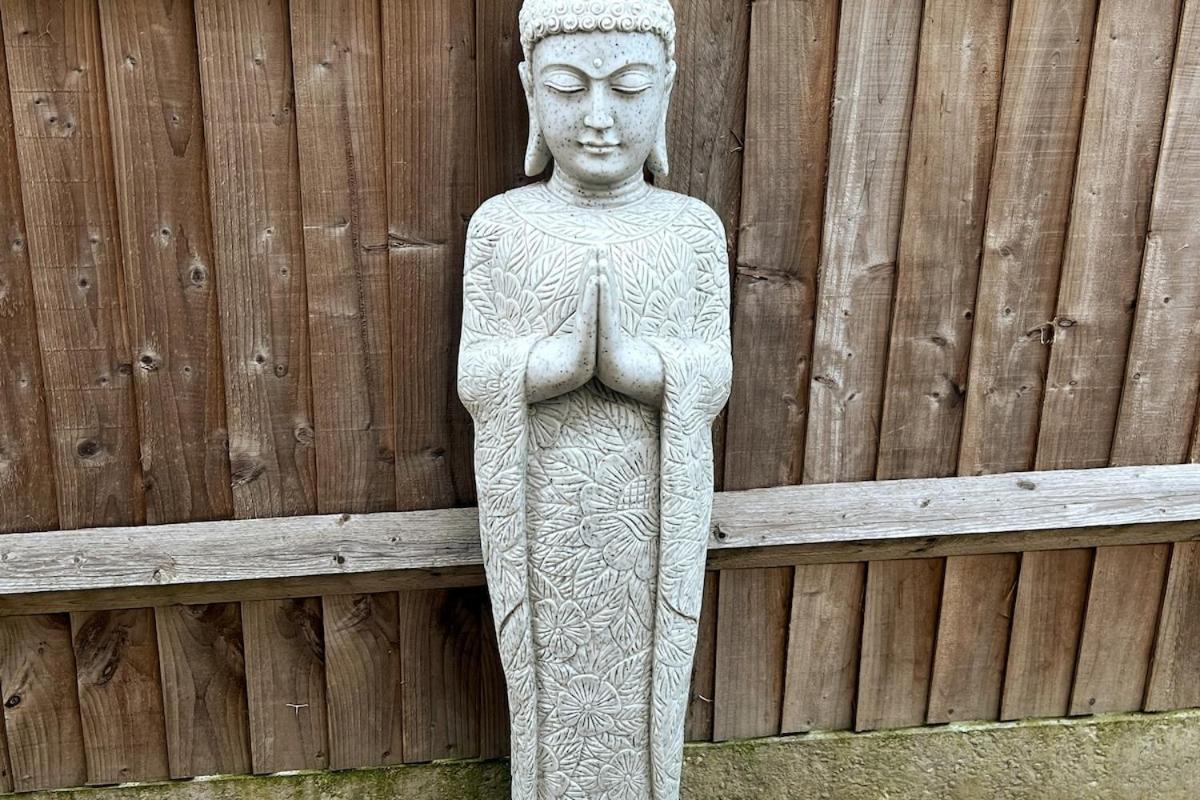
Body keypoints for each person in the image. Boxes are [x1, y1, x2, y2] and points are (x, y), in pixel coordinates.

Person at [456, 2, 731, 797]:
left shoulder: (691, 230)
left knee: (647, 675)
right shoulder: (502, 227)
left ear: (666, 90)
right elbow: (477, 372)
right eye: (569, 88)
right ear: (529, 91)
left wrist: (640, 368)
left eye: (630, 88)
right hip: (541, 509)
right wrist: (552, 365)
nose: (600, 117)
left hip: (653, 508)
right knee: (549, 676)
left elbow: (713, 372)